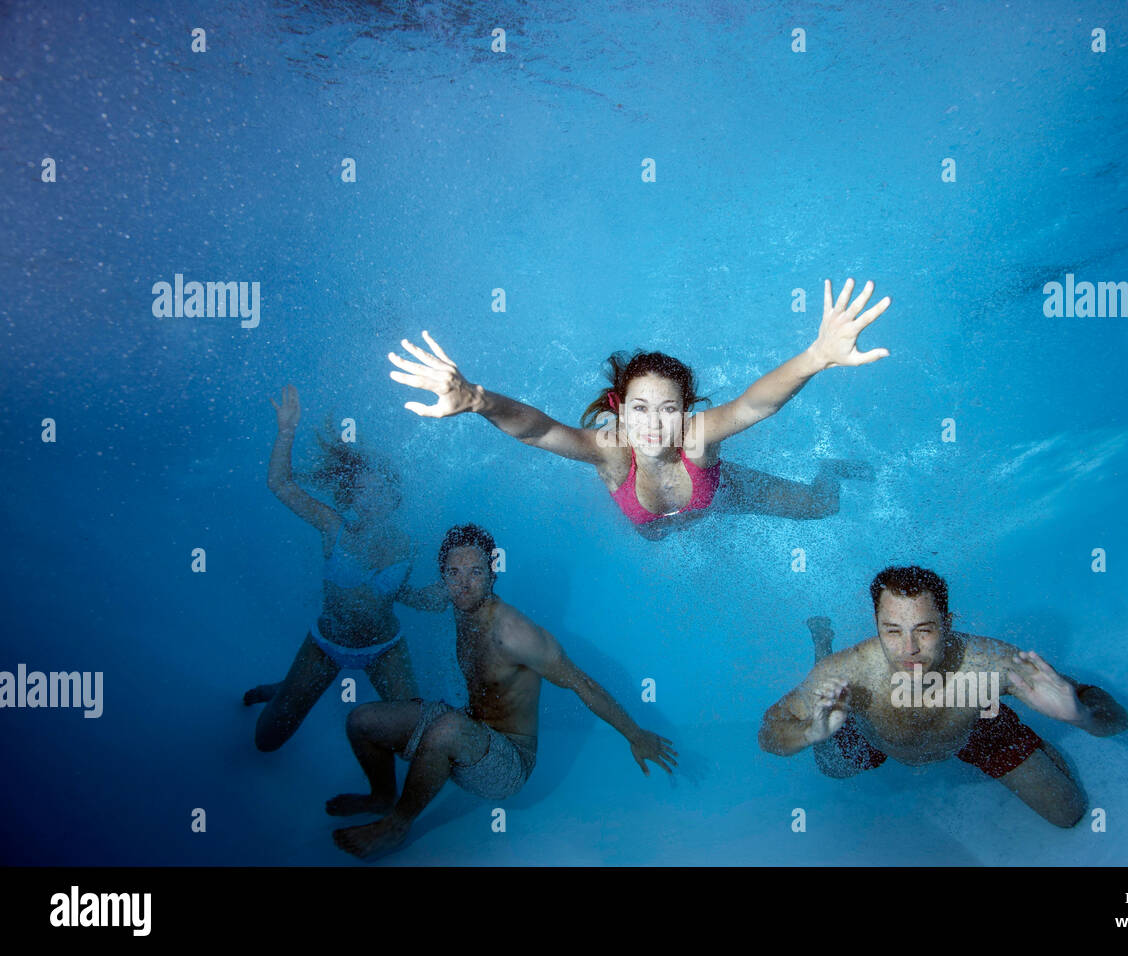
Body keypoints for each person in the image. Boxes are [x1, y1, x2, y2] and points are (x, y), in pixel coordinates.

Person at [387, 277, 891, 538]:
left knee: (824, 506)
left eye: (668, 408)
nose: (654, 425)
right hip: (661, 527)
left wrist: (816, 357)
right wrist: (477, 399)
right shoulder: (611, 454)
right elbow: (538, 431)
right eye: (641, 409)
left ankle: (829, 472)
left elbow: (754, 405)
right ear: (621, 410)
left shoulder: (696, 438)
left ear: (687, 410)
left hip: (723, 496)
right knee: (664, 541)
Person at [328, 524, 677, 858]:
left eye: (475, 573)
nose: (463, 585)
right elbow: (417, 598)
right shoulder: (453, 595)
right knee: (361, 720)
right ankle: (381, 795)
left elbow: (580, 683)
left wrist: (636, 735)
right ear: (444, 576)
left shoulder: (514, 632)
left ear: (493, 573)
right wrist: (375, 581)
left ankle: (397, 824)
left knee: (447, 729)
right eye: (453, 573)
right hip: (467, 730)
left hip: (508, 763)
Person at [758, 566, 1128, 827]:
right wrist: (809, 734)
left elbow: (1111, 715)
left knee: (1070, 814)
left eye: (924, 630)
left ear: (947, 624)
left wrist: (1081, 716)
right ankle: (822, 645)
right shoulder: (848, 672)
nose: (909, 649)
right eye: (892, 631)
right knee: (831, 767)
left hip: (971, 728)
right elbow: (770, 731)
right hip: (875, 732)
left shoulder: (987, 662)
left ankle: (1032, 743)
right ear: (875, 626)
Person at [243, 384, 448, 751]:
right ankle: (287, 686)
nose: (371, 500)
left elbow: (395, 595)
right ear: (350, 497)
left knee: (410, 740)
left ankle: (292, 684)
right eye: (362, 492)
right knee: (266, 741)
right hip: (327, 644)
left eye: (380, 491)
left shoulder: (408, 545)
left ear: (394, 496)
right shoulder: (332, 526)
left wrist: (433, 597)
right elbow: (280, 484)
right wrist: (287, 429)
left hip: (385, 647)